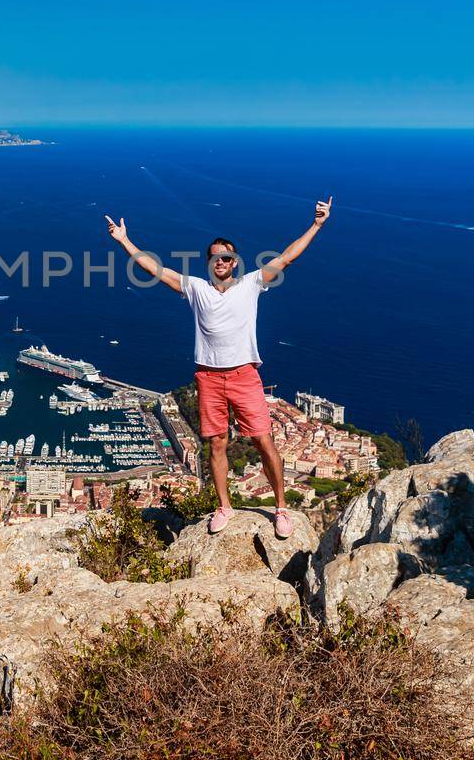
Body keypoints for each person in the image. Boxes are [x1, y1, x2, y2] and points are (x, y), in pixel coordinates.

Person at [106, 198, 332, 537]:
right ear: (209, 261)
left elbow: (287, 256)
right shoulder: (196, 288)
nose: (221, 261)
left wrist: (316, 225)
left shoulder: (252, 283)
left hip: (244, 375)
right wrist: (124, 241)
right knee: (215, 445)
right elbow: (155, 270)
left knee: (264, 441)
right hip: (208, 377)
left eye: (227, 256)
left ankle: (281, 508)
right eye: (215, 256)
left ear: (235, 261)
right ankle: (224, 507)